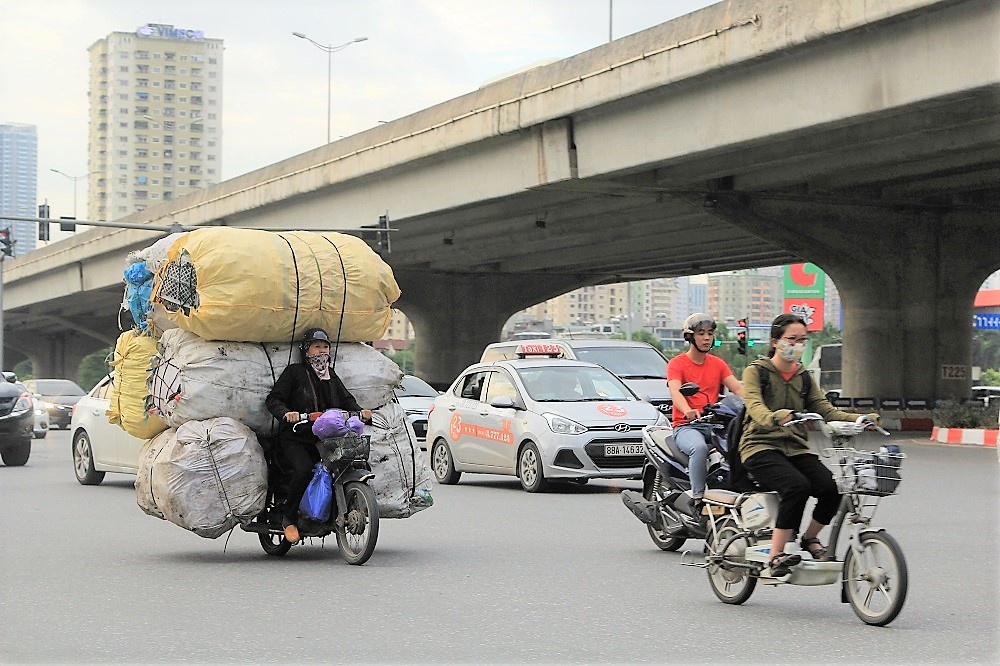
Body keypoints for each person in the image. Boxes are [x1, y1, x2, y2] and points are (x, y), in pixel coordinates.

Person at [740, 313, 880, 577]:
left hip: (795, 447)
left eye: (802, 340)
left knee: (832, 488)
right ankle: (776, 556)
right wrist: (775, 416)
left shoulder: (803, 376)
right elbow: (755, 406)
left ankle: (809, 538)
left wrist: (861, 419)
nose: (797, 345)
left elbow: (824, 409)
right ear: (775, 341)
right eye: (791, 339)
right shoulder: (756, 372)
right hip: (760, 446)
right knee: (796, 487)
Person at [265, 328, 372, 543]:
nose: (321, 352)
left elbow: (347, 400)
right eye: (317, 347)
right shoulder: (294, 372)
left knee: (346, 465)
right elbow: (273, 400)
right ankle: (289, 518)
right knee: (304, 470)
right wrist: (287, 414)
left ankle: (333, 511)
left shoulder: (331, 376)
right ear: (306, 351)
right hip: (296, 437)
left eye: (325, 347)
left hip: (325, 439)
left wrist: (361, 411)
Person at [667, 313, 743, 514]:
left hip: (715, 423)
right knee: (699, 448)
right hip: (686, 426)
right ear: (690, 337)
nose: (707, 338)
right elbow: (675, 391)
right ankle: (698, 499)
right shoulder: (677, 363)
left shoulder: (717, 364)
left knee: (740, 446)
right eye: (701, 333)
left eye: (710, 333)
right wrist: (687, 410)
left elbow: (738, 388)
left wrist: (758, 402)